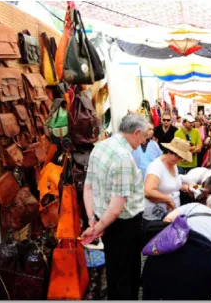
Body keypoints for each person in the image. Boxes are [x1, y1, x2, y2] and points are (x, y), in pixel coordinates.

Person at [81, 114, 149, 300]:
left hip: (106, 221)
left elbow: (88, 187)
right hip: (123, 225)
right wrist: (96, 229)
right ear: (136, 132)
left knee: (114, 269)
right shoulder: (123, 158)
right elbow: (116, 209)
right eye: (144, 136)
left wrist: (92, 220)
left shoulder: (100, 146)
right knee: (127, 275)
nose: (144, 141)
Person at [142, 193, 211, 300]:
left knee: (157, 290)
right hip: (199, 267)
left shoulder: (194, 206)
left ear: (208, 203)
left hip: (168, 256)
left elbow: (167, 220)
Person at [143, 137, 192, 222]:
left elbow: (169, 184)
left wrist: (184, 187)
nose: (178, 159)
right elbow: (148, 191)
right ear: (169, 151)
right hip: (157, 216)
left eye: (180, 158)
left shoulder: (173, 164)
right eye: (176, 155)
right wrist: (168, 199)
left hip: (169, 214)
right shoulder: (156, 167)